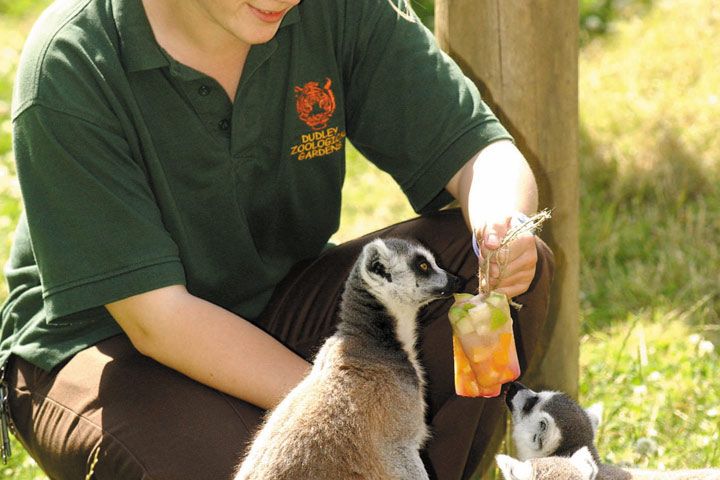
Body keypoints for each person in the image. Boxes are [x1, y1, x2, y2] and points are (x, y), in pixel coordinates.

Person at [0, 0, 554, 478]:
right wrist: (345, 406)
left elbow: (481, 153)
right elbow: (156, 321)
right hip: (109, 345)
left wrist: (501, 226)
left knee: (478, 273)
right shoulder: (72, 61)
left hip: (272, 304)